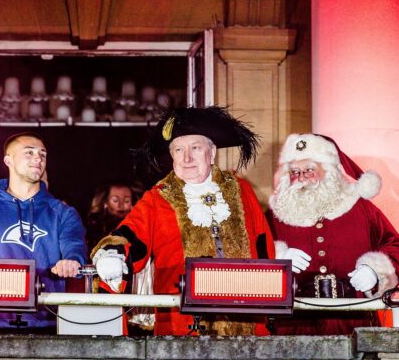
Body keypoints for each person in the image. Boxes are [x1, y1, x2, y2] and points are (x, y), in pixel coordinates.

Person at [92, 106, 275, 336]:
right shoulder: (158, 197)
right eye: (179, 149)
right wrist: (113, 254)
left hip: (248, 320)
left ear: (212, 152)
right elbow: (129, 234)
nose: (186, 158)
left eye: (195, 148)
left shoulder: (241, 190)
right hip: (181, 324)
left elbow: (263, 246)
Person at [268, 133, 399, 335]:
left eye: (309, 170)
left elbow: (394, 245)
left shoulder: (360, 208)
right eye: (294, 171)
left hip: (354, 319)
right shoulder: (274, 215)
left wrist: (375, 271)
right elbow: (253, 252)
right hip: (294, 324)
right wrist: (277, 257)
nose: (301, 178)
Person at [0, 132, 87, 332]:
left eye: (42, 154)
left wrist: (72, 260)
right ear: (8, 160)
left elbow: (74, 245)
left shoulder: (63, 213)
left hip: (49, 325)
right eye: (29, 152)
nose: (38, 158)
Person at [85, 181, 137, 251]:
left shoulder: (139, 225)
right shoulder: (93, 226)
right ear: (105, 202)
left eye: (126, 201)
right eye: (115, 200)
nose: (121, 205)